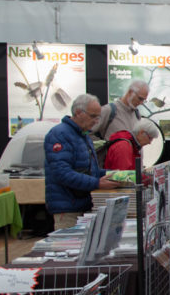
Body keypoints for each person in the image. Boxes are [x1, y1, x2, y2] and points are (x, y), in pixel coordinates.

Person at [45, 93, 121, 229]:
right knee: (69, 248)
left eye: (98, 117)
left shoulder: (83, 135)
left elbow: (89, 170)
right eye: (93, 116)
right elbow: (62, 173)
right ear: (78, 112)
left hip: (82, 205)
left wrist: (115, 174)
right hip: (68, 210)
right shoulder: (60, 134)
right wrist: (97, 183)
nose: (97, 121)